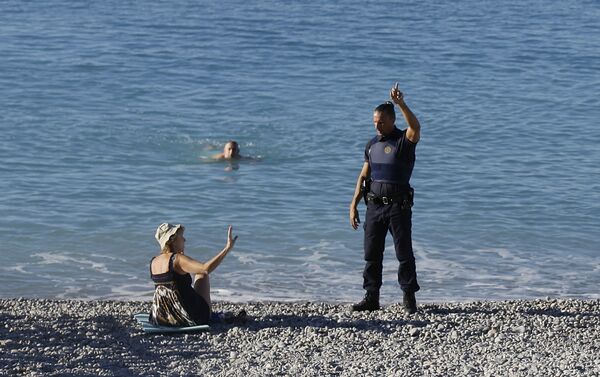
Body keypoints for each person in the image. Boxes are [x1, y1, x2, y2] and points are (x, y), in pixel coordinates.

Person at [349, 83, 422, 314]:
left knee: (404, 253)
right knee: (371, 254)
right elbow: (363, 176)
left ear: (391, 120)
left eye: (381, 122)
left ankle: (409, 297)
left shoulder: (403, 141)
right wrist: (353, 205)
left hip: (398, 207)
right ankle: (372, 297)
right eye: (374, 122)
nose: (377, 126)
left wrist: (401, 104)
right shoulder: (372, 145)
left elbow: (416, 127)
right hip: (374, 207)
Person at [149, 223, 245, 326]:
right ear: (173, 240)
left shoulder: (153, 261)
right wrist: (227, 248)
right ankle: (207, 314)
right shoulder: (176, 259)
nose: (184, 240)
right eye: (181, 237)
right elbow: (205, 269)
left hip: (161, 318)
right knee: (201, 274)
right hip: (187, 318)